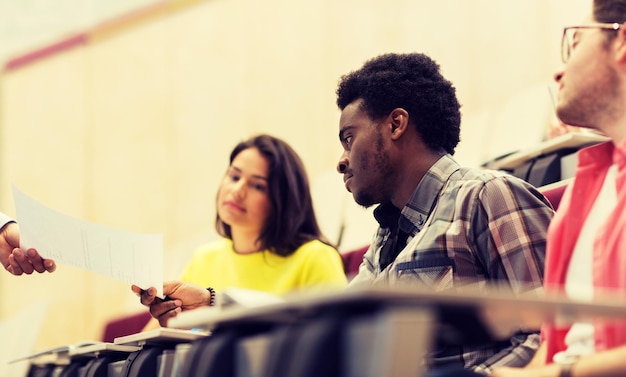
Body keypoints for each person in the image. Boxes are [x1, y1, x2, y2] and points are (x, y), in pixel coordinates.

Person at [335, 52, 553, 374]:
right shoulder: (386, 235)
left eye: (349, 139)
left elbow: (549, 336)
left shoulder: (487, 196)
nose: (341, 160)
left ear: (396, 124)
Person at [490, 1, 626, 376]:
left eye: (575, 42)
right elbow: (556, 343)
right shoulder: (587, 190)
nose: (557, 71)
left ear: (621, 41)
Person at [133, 134, 348, 327]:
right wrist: (168, 318)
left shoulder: (315, 257)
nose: (237, 191)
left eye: (257, 186)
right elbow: (148, 341)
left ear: (283, 200)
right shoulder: (204, 259)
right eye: (234, 177)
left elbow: (333, 342)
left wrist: (212, 304)